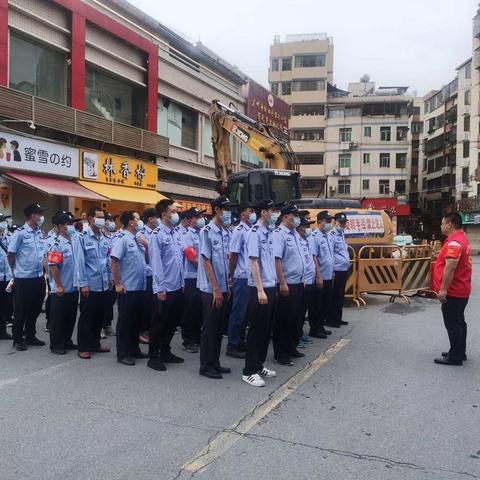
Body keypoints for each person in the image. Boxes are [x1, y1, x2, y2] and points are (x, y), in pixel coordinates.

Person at [242, 199, 279, 387]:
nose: (275, 214)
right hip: (259, 288)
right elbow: (254, 262)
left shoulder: (269, 233)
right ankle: (249, 371)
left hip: (271, 286)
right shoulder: (254, 233)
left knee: (266, 329)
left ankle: (259, 365)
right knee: (256, 330)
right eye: (272, 210)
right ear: (263, 212)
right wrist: (260, 289)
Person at [197, 195, 232, 379]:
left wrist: (228, 284)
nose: (228, 212)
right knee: (210, 328)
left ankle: (215, 362)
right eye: (226, 208)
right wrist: (216, 289)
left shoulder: (226, 231)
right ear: (217, 210)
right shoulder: (207, 231)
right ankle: (206, 366)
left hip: (224, 287)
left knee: (219, 328)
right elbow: (206, 261)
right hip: (211, 289)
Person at [148, 199, 185, 372]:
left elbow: (179, 260)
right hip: (165, 287)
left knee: (172, 321)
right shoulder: (157, 234)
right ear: (164, 214)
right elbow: (156, 262)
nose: (176, 213)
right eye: (173, 211)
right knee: (159, 322)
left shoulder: (176, 233)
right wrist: (160, 287)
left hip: (177, 285)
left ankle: (165, 350)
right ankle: (153, 355)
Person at [432, 213, 472, 366]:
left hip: (454, 291)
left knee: (453, 323)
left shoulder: (454, 243)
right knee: (459, 322)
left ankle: (455, 356)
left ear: (450, 224)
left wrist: (443, 290)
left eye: (442, 223)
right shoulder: (462, 239)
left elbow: (450, 268)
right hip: (462, 289)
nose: (441, 226)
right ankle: (459, 351)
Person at [8, 203, 48, 351]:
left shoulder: (39, 233)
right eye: (39, 213)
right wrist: (15, 269)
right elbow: (11, 254)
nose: (41, 216)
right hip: (23, 278)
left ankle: (30, 335)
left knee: (35, 308)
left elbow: (43, 254)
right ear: (32, 215)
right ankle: (18, 339)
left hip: (38, 277)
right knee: (21, 310)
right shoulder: (20, 233)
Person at [111, 211, 148, 366]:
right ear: (131, 222)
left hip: (139, 287)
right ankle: (123, 353)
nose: (140, 221)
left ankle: (134, 349)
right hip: (128, 288)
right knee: (125, 322)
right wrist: (118, 283)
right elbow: (114, 261)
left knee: (136, 322)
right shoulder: (123, 239)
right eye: (137, 219)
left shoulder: (137, 239)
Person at [76, 207, 113, 359]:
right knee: (87, 317)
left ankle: (95, 343)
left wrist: (110, 277)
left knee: (99, 316)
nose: (102, 220)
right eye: (98, 217)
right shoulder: (82, 237)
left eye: (103, 217)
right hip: (90, 285)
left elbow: (107, 261)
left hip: (103, 284)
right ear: (90, 219)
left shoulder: (104, 238)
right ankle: (83, 346)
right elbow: (80, 262)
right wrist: (83, 283)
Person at [272, 202, 306, 366]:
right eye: (295, 214)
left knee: (295, 318)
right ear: (285, 216)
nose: (297, 218)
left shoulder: (295, 234)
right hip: (287, 283)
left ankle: (291, 346)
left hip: (298, 282)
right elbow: (277, 260)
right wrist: (282, 282)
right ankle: (280, 352)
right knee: (283, 320)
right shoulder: (279, 234)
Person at [46, 211, 80, 355]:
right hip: (61, 288)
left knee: (70, 317)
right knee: (58, 319)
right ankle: (56, 344)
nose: (72, 226)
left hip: (73, 287)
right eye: (69, 224)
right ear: (60, 226)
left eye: (72, 224)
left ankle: (67, 340)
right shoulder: (56, 244)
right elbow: (53, 266)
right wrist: (59, 285)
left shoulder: (74, 241)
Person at [226, 204, 256, 359]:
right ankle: (232, 345)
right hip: (242, 276)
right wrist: (231, 275)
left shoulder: (251, 230)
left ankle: (240, 341)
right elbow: (233, 256)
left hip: (250, 277)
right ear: (243, 214)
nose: (253, 214)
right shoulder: (239, 231)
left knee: (246, 314)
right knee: (238, 313)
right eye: (250, 211)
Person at [180, 207, 206, 353]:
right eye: (197, 217)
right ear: (190, 220)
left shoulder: (203, 234)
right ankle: (188, 340)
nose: (201, 219)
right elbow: (192, 257)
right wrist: (207, 267)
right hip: (191, 277)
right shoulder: (187, 235)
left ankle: (197, 337)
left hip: (202, 277)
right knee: (190, 309)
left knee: (200, 310)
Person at [297, 215, 322, 347]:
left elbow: (312, 258)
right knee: (298, 312)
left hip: (309, 280)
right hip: (302, 281)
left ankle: (300, 333)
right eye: (306, 226)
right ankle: (296, 336)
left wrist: (317, 275)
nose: (309, 229)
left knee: (303, 310)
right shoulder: (297, 241)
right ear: (300, 228)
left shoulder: (306, 241)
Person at [136, 208, 159, 344]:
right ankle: (143, 331)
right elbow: (145, 254)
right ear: (150, 219)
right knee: (146, 304)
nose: (159, 220)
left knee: (154, 305)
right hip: (147, 272)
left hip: (156, 272)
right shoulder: (141, 234)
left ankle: (151, 330)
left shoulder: (157, 232)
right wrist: (148, 245)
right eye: (157, 217)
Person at [310, 211, 334, 338]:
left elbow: (329, 256)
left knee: (325, 303)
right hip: (320, 276)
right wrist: (318, 275)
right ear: (319, 222)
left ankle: (321, 326)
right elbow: (314, 257)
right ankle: (315, 328)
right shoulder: (315, 236)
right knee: (317, 304)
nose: (330, 224)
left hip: (329, 275)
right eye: (327, 221)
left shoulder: (328, 236)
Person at [329, 212, 350, 328]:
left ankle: (338, 318)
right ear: (335, 222)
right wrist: (331, 271)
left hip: (343, 270)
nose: (343, 225)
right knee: (335, 296)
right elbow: (330, 254)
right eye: (340, 222)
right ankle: (332, 319)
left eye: (344, 223)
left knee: (340, 295)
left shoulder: (342, 234)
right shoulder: (332, 235)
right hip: (336, 270)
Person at [101, 212, 118, 338]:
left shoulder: (115, 236)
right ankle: (100, 326)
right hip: (103, 274)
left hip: (113, 274)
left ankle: (107, 324)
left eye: (113, 219)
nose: (112, 222)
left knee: (110, 302)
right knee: (102, 302)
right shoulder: (100, 236)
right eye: (109, 219)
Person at [0, 214, 13, 340]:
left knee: (4, 306)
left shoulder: (8, 238)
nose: (3, 223)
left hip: (7, 279)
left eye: (4, 221)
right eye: (1, 221)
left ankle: (2, 331)